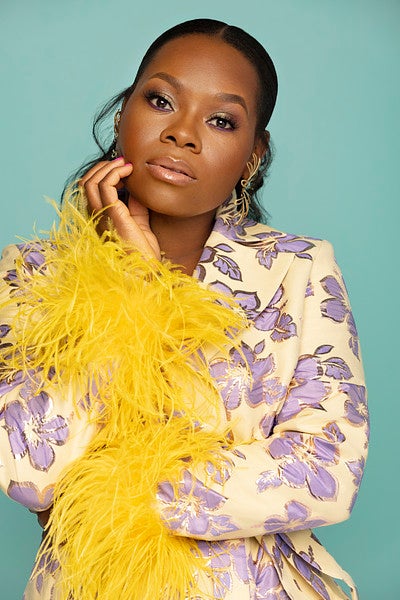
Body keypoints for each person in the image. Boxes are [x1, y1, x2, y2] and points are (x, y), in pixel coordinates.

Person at [0, 18, 368, 600]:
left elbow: (325, 471)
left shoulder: (298, 269)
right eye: (161, 101)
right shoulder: (32, 272)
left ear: (252, 154)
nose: (183, 134)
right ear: (122, 116)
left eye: (221, 120)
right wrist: (128, 285)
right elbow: (29, 469)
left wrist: (108, 498)